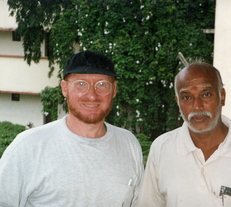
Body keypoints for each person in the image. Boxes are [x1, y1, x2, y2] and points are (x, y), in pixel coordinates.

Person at [0, 50, 144, 207]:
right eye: (81, 84)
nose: (92, 95)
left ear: (114, 90)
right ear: (64, 88)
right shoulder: (29, 146)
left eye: (102, 85)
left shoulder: (128, 143)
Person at [136, 62, 231, 206]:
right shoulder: (162, 148)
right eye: (187, 97)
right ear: (178, 103)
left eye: (206, 94)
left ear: (222, 96)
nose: (197, 106)